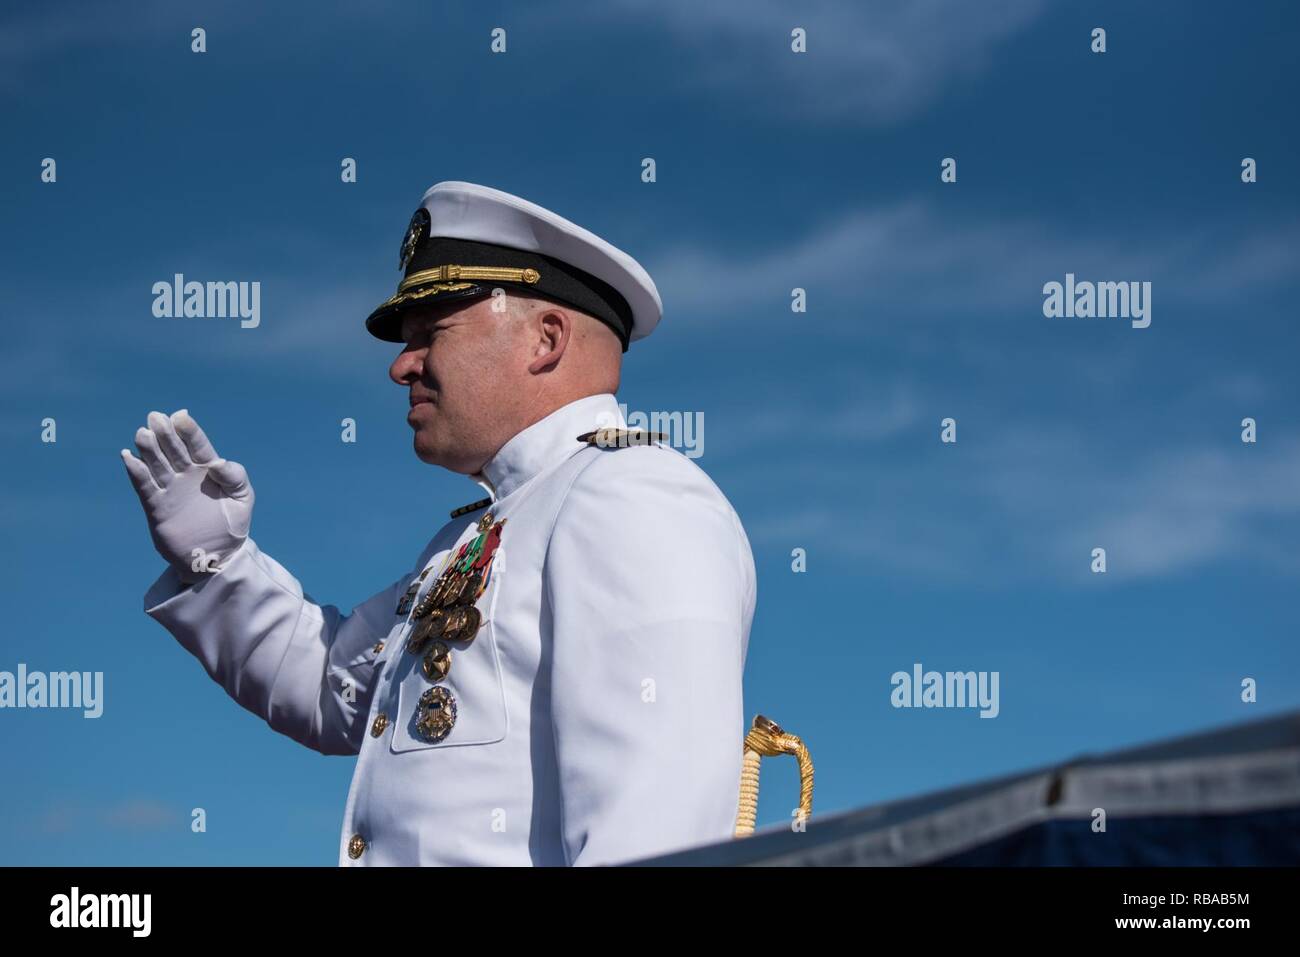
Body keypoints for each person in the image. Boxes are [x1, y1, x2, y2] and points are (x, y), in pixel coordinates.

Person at [121, 181, 757, 866]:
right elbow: (328, 686)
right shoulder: (479, 536)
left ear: (545, 339)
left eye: (431, 333)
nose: (401, 365)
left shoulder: (628, 493)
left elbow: (655, 830)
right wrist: (216, 563)